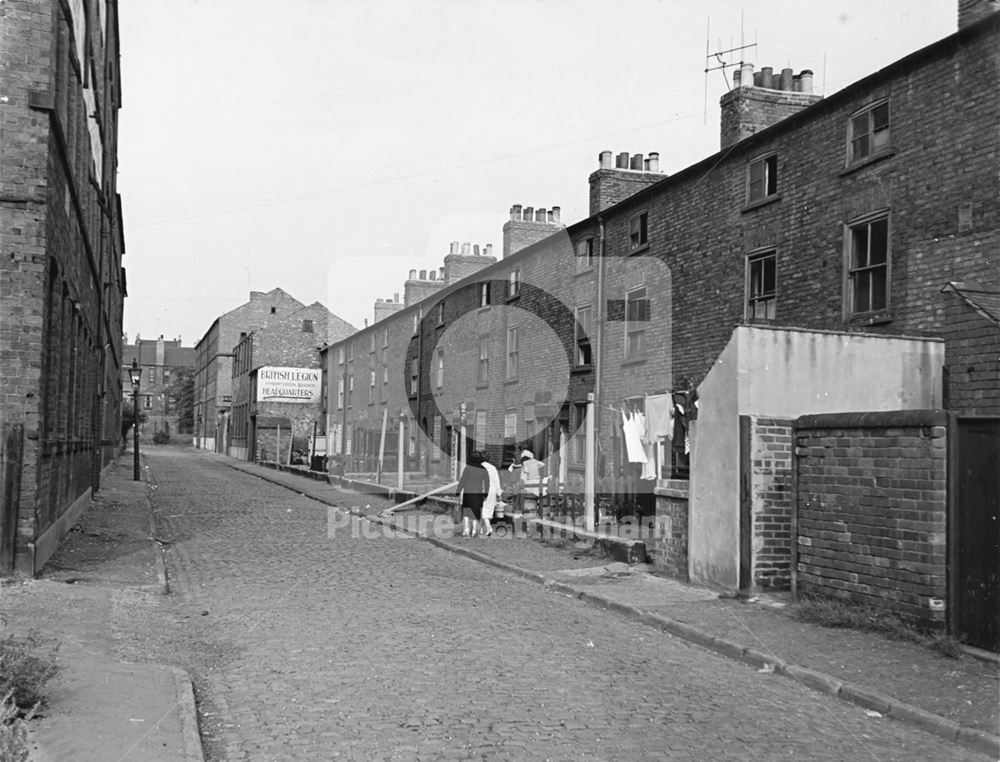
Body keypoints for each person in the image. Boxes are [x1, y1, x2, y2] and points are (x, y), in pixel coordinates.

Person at [456, 451, 488, 537]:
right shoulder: (484, 469)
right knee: (476, 512)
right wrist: (486, 494)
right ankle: (474, 530)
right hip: (478, 493)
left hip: (468, 491)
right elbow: (487, 483)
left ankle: (466, 529)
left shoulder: (468, 468)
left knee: (466, 511)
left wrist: (458, 492)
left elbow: (462, 480)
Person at [510, 449, 545, 516]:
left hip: (530, 489)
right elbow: (542, 464)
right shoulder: (535, 463)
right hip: (538, 489)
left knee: (517, 489)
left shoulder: (525, 465)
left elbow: (523, 479)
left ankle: (517, 509)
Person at [480, 453, 503, 538]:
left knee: (482, 510)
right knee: (489, 510)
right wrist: (499, 493)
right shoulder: (493, 468)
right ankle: (482, 528)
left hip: (482, 490)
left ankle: (488, 528)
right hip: (492, 490)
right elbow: (497, 482)